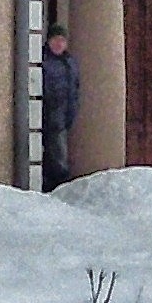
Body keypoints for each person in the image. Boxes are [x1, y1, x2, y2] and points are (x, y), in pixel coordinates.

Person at [38, 23, 83, 189]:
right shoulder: (43, 60)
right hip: (48, 117)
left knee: (57, 154)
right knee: (56, 157)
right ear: (49, 41)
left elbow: (75, 90)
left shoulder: (70, 62)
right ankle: (56, 185)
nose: (59, 44)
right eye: (56, 39)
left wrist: (72, 113)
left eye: (63, 40)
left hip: (63, 118)